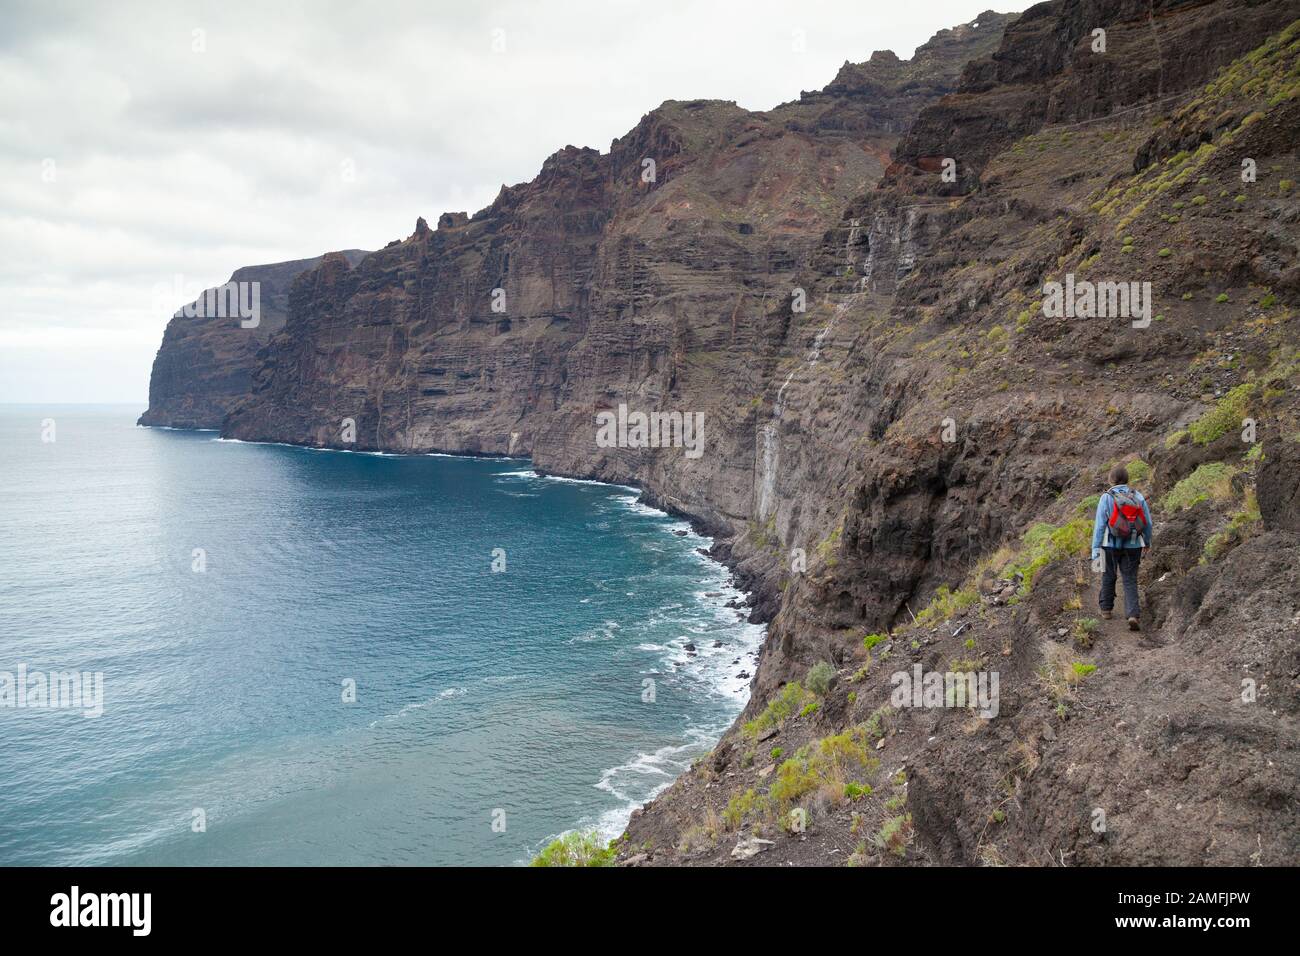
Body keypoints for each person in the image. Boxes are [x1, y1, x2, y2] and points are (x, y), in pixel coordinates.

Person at [1091, 464, 1153, 631]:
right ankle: (1133, 614)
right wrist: (1146, 541)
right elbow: (1147, 522)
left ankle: (1106, 609)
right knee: (1130, 578)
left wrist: (1095, 550)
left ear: (1111, 480)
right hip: (1133, 545)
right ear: (1127, 479)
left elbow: (1099, 526)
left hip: (1108, 545)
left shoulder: (1106, 497)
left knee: (1108, 575)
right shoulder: (1137, 496)